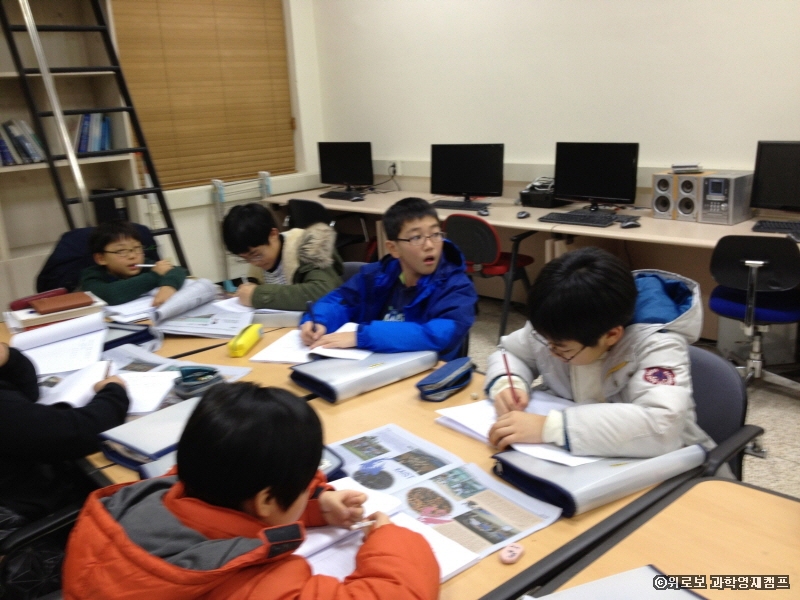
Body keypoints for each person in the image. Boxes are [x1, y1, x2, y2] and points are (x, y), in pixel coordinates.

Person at [62, 382, 439, 599]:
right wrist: (390, 540)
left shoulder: (138, 502)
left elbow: (231, 501)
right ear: (267, 500)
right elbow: (394, 593)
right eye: (304, 483)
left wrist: (314, 504)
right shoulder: (244, 582)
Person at [486, 246, 715, 458]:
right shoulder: (556, 324)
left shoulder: (658, 344)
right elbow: (512, 352)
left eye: (562, 349)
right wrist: (508, 382)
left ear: (611, 336)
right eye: (547, 342)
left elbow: (662, 426)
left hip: (662, 461)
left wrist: (552, 428)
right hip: (579, 457)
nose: (551, 351)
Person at [299, 197, 477, 361]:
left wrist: (363, 336)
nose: (430, 245)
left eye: (436, 234)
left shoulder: (457, 286)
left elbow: (438, 334)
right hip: (373, 364)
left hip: (427, 371)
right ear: (393, 248)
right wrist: (318, 321)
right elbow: (341, 300)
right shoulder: (376, 275)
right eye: (416, 237)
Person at [222, 203, 343, 310]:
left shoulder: (309, 247)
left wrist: (257, 295)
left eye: (256, 255)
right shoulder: (258, 263)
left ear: (273, 234)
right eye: (245, 259)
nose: (254, 263)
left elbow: (323, 292)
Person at [79, 220, 187, 306]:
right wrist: (155, 275)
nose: (132, 256)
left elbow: (178, 270)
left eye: (136, 248)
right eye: (121, 251)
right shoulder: (91, 276)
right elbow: (111, 294)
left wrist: (169, 286)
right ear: (101, 258)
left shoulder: (144, 264)